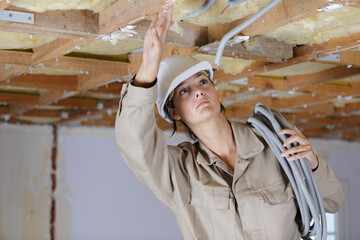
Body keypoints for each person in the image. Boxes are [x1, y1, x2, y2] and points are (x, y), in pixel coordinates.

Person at [115, 7, 345, 240]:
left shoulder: (275, 144)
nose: (198, 92)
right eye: (184, 91)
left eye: (203, 81)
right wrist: (148, 67)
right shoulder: (181, 172)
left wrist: (313, 164)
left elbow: (334, 201)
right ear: (173, 112)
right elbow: (135, 143)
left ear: (217, 93)